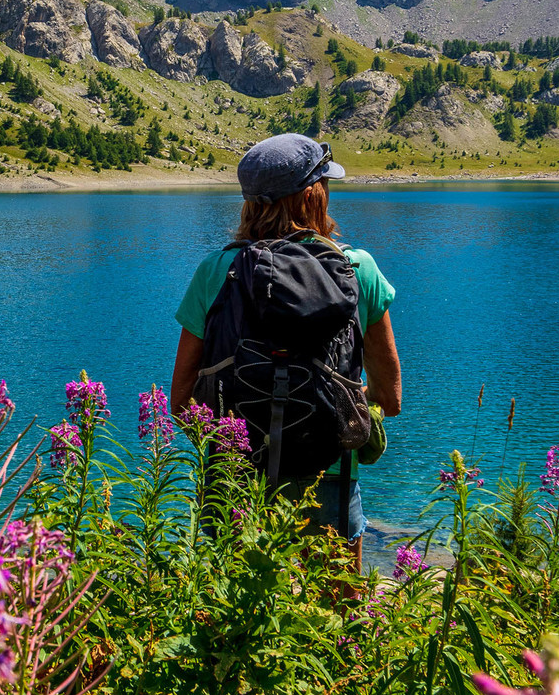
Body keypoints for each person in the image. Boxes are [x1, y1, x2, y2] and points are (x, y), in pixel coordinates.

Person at [169, 131, 401, 546]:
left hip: (235, 478)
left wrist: (241, 437)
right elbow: (390, 398)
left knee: (236, 602)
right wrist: (331, 410)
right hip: (329, 472)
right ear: (313, 196)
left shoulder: (217, 270)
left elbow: (182, 400)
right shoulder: (357, 268)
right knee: (334, 604)